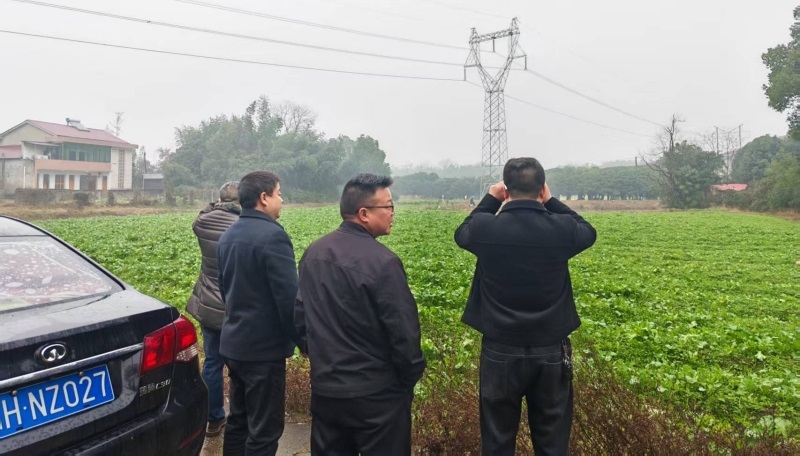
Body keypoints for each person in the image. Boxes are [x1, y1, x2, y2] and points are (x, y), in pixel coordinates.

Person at [454, 157, 597, 456]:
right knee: (552, 443)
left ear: (505, 190)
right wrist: (552, 201)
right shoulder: (562, 228)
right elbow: (587, 230)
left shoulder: (485, 228)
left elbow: (462, 232)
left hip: (499, 350)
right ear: (542, 188)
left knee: (497, 441)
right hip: (551, 349)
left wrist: (491, 200)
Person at [295, 173, 427, 456]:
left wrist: (318, 358)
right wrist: (406, 380)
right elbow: (404, 333)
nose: (393, 213)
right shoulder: (383, 263)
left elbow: (300, 317)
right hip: (377, 395)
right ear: (364, 213)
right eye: (388, 206)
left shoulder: (313, 253)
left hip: (327, 390)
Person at [217, 171, 300, 456]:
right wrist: (304, 340)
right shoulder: (274, 236)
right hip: (262, 352)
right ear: (264, 198)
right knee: (264, 430)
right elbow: (289, 300)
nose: (282, 199)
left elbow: (225, 290)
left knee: (238, 421)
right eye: (279, 193)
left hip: (234, 344)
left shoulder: (228, 235)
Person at [186, 181, 240, 437]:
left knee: (212, 362)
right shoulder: (241, 225)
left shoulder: (202, 222)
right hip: (234, 305)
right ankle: (239, 417)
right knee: (239, 365)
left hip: (208, 303)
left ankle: (214, 419)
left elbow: (202, 213)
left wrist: (214, 205)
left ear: (219, 200)